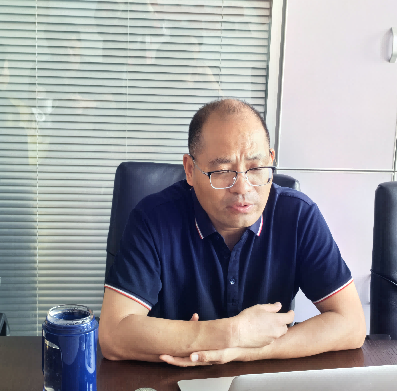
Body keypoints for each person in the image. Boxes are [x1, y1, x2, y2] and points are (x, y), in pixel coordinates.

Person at [99, 99, 366, 366]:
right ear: (190, 170)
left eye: (256, 168)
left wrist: (244, 351)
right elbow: (113, 335)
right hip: (172, 377)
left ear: (271, 160)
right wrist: (231, 333)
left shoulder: (298, 216)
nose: (242, 187)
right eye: (223, 171)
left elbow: (351, 324)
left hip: (262, 379)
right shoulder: (153, 218)